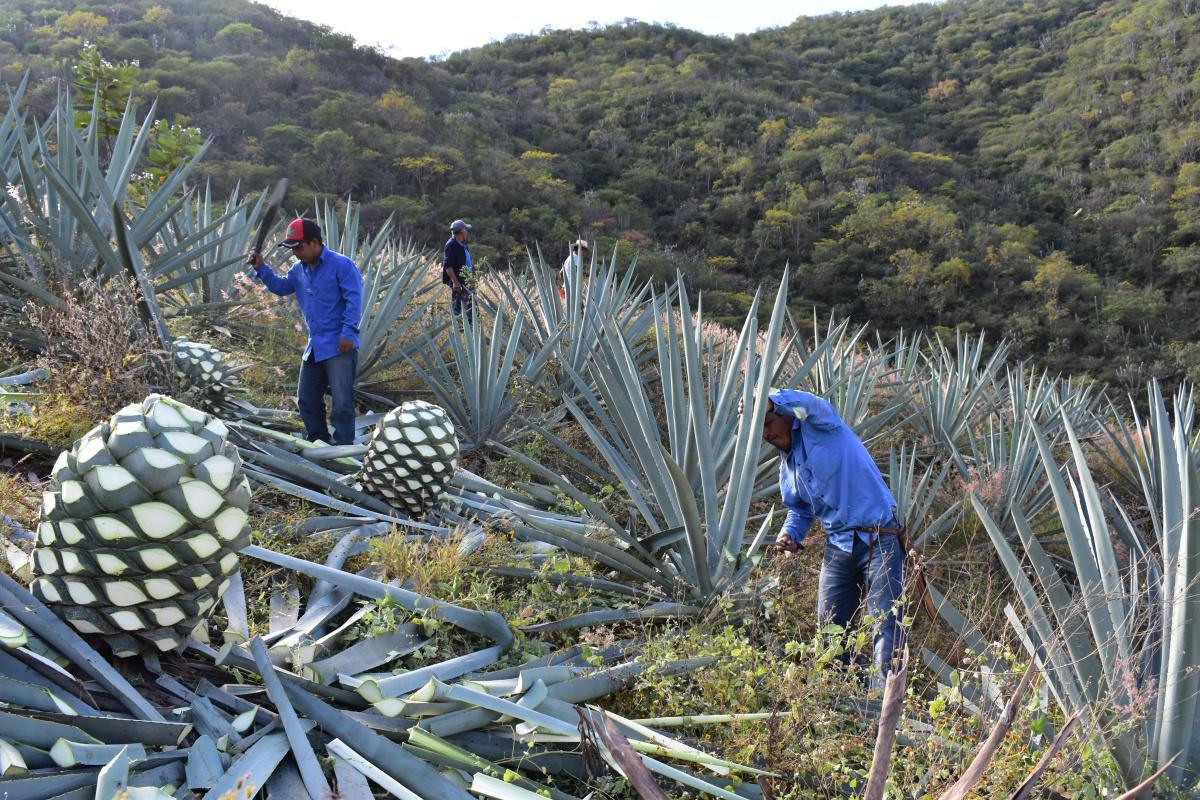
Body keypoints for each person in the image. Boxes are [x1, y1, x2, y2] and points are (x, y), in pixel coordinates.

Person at [762, 388, 906, 688]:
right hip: (838, 546)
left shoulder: (822, 426)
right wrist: (789, 535)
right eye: (758, 431)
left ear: (784, 415)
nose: (765, 434)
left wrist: (768, 398)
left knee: (886, 625)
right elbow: (799, 511)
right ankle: (843, 700)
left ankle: (885, 706)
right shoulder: (787, 467)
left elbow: (815, 403)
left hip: (880, 538)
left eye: (766, 423)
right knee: (830, 631)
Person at [246, 218, 362, 445]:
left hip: (340, 344)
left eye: (298, 247)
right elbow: (281, 287)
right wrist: (261, 267)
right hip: (315, 345)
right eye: (291, 249)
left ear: (315, 242)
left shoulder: (342, 265)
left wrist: (348, 333)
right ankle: (318, 440)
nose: (294, 253)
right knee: (307, 398)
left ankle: (344, 447)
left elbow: (354, 301)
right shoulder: (298, 270)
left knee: (341, 401)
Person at [443, 219, 474, 320]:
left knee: (471, 307)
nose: (467, 232)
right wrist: (455, 282)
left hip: (468, 281)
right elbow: (448, 265)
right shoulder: (451, 244)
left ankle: (471, 328)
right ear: (462, 231)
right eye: (466, 230)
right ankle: (459, 329)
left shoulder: (463, 244)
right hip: (460, 283)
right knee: (459, 308)